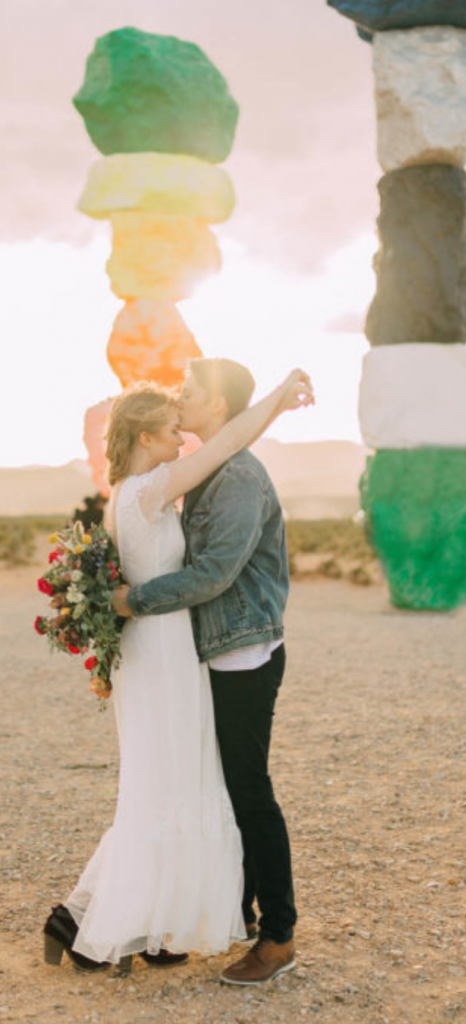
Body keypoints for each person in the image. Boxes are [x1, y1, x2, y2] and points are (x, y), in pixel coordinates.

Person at [43, 366, 314, 978]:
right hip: (172, 652)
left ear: (217, 404)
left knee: (210, 787)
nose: (180, 423)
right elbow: (196, 564)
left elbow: (211, 571)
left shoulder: (226, 475)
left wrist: (125, 604)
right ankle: (114, 920)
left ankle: (248, 931)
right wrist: (124, 605)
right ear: (144, 437)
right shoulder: (159, 484)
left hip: (211, 648)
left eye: (189, 400)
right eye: (168, 423)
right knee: (180, 788)